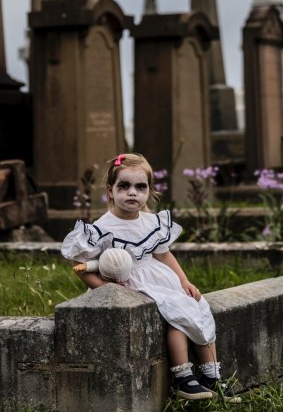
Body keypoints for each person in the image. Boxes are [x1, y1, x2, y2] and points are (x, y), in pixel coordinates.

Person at [61, 152, 241, 403]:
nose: (132, 192)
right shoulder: (102, 228)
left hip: (158, 277)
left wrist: (184, 281)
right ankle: (183, 378)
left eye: (140, 187)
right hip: (129, 284)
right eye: (124, 186)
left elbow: (164, 255)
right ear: (110, 191)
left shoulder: (151, 222)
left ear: (149, 191)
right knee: (176, 314)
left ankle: (212, 376)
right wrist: (107, 290)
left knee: (197, 307)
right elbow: (82, 266)